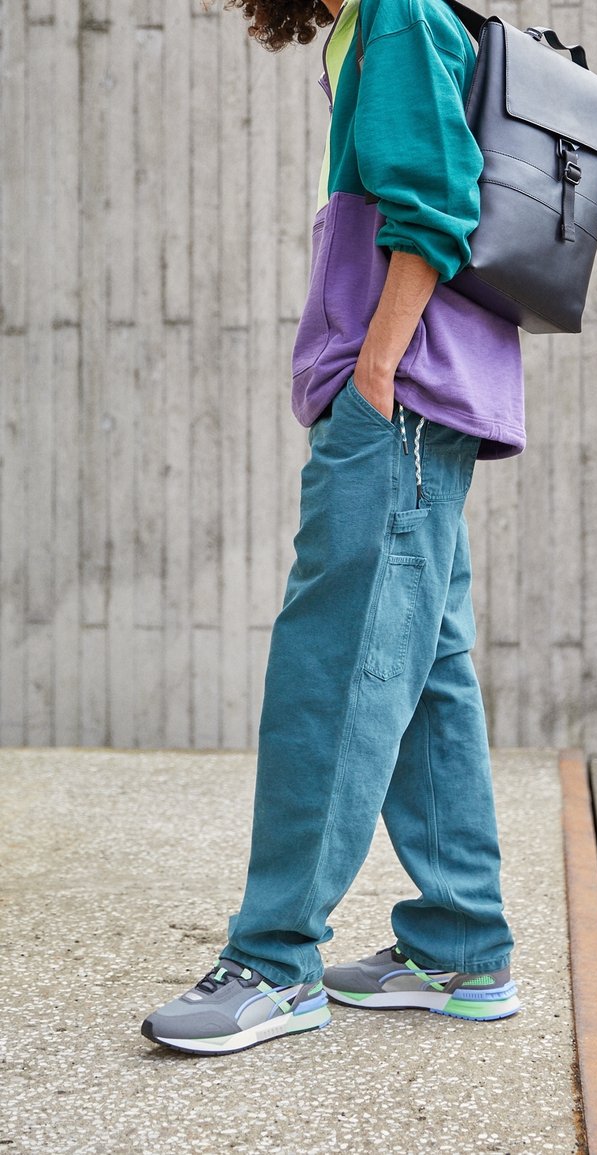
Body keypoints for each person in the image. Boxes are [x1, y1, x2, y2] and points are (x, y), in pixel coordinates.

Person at [142, 0, 526, 1055]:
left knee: (332, 669)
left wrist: (371, 372)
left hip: (395, 407)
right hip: (422, 405)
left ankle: (274, 963)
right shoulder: (379, 20)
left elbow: (435, 205)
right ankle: (460, 944)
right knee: (426, 674)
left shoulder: (397, 14)